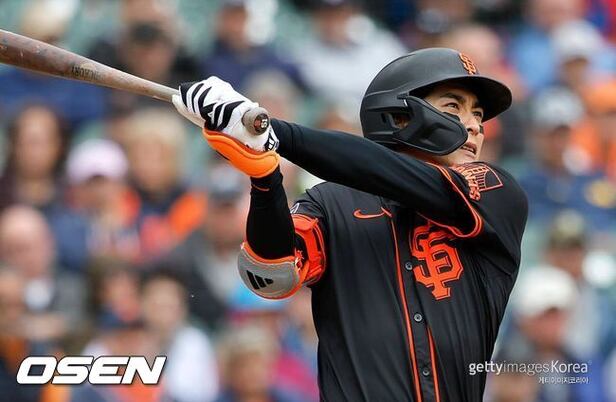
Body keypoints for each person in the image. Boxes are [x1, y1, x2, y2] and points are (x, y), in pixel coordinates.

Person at [173, 48, 528, 401]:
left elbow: (385, 170)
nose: (475, 125)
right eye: (453, 107)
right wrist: (265, 176)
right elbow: (271, 272)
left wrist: (272, 132)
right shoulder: (329, 203)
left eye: (478, 114)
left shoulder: (496, 191)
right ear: (399, 116)